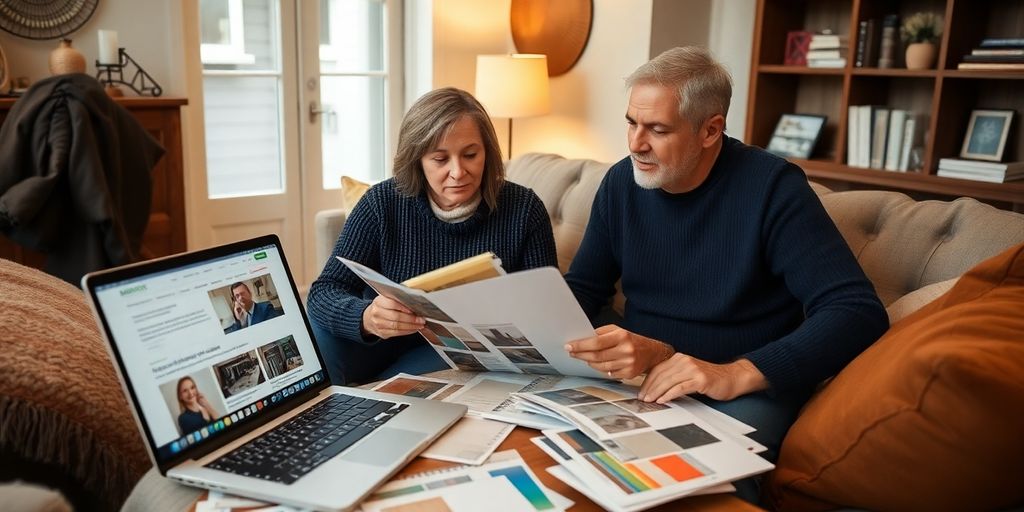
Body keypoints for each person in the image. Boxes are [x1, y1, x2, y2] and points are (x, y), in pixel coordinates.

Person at [562, 46, 888, 502]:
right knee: (563, 465)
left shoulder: (773, 189)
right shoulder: (621, 183)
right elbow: (583, 288)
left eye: (657, 129)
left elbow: (856, 310)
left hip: (738, 387)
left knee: (699, 491)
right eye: (631, 123)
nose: (635, 143)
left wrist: (739, 372)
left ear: (710, 130)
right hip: (643, 376)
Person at [307, 87, 558, 385]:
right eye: (440, 159)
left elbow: (547, 309)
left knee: (398, 387)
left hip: (452, 350)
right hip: (377, 339)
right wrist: (365, 317)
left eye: (470, 155)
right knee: (317, 343)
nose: (458, 172)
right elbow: (324, 291)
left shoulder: (524, 209)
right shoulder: (382, 202)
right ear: (417, 159)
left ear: (487, 152)